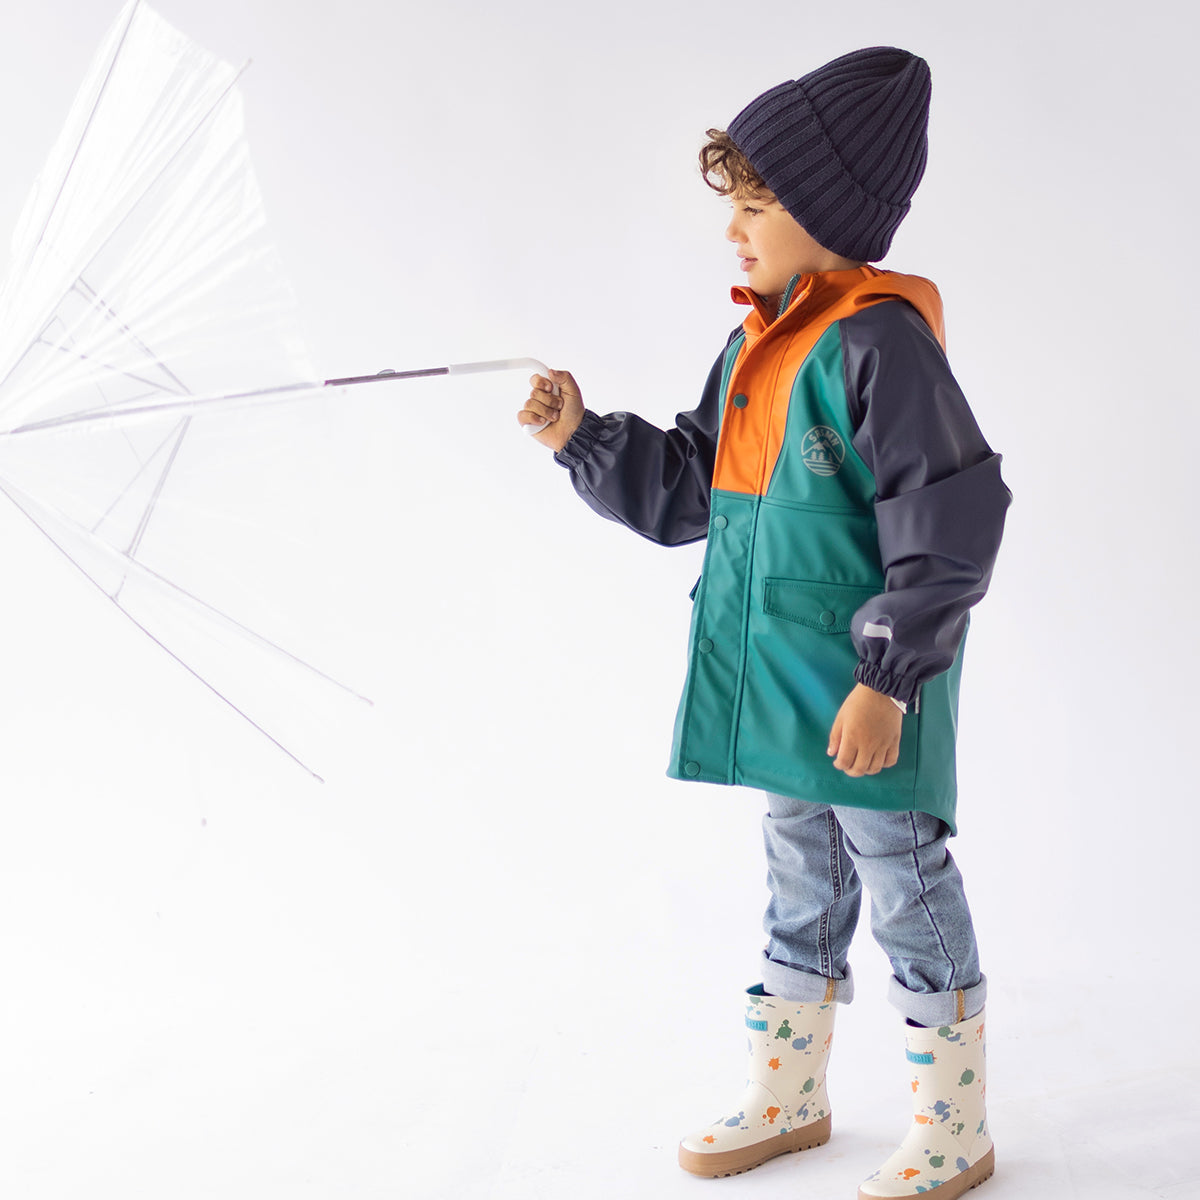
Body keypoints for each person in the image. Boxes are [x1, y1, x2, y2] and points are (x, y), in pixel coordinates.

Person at [517, 47, 1010, 1200]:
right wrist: (585, 439)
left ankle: (955, 1119)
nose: (734, 231)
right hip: (782, 681)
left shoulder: (881, 345)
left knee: (901, 868)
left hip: (861, 689)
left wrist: (888, 679)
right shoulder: (756, 344)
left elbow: (949, 520)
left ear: (829, 211)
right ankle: (790, 1093)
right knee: (800, 868)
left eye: (757, 205)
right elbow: (696, 487)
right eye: (731, 206)